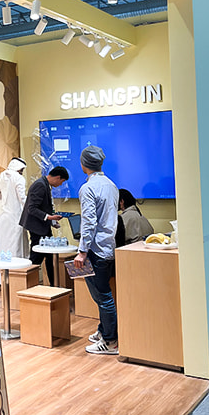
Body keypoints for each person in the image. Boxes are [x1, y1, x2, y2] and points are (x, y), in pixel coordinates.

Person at [73, 145, 119, 355]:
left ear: (83, 164)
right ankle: (103, 330)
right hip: (108, 247)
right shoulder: (111, 185)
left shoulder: (88, 188)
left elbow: (89, 222)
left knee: (103, 296)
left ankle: (110, 341)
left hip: (95, 250)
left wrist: (82, 251)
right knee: (103, 295)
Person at [19, 166, 69, 287]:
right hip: (37, 228)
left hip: (42, 226)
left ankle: (53, 286)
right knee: (36, 257)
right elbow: (32, 208)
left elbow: (43, 207)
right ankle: (29, 286)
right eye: (62, 182)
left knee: (49, 256)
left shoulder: (44, 184)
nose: (60, 185)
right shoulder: (40, 185)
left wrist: (52, 221)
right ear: (58, 177)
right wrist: (49, 217)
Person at [0, 157, 28, 285]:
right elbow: (22, 198)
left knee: (1, 247)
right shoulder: (19, 178)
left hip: (1, 217)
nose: (22, 172)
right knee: (15, 247)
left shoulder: (1, 176)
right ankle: (15, 281)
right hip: (15, 216)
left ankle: (2, 280)